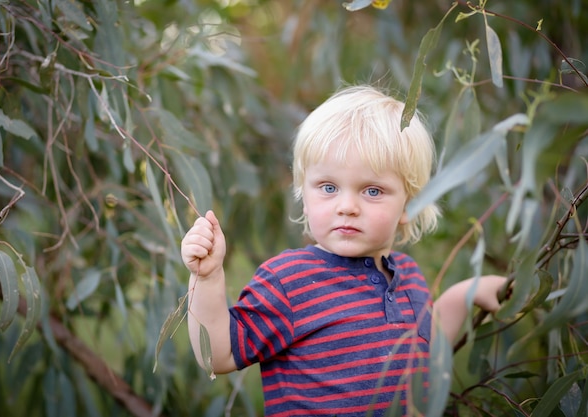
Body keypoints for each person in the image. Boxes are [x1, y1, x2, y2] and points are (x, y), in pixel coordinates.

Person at [180, 85, 507, 416]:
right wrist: (207, 278)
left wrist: (465, 294)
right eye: (328, 187)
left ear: (411, 203)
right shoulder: (289, 280)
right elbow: (219, 354)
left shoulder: (408, 276)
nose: (347, 206)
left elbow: (428, 349)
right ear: (303, 196)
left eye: (372, 190)